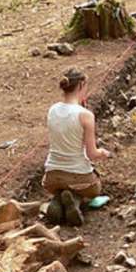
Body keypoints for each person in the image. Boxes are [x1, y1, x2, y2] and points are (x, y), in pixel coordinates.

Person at [43, 68, 111, 226]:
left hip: (51, 178)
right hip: (79, 178)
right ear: (81, 85)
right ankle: (75, 200)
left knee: (63, 185)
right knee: (94, 187)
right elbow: (92, 154)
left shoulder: (52, 110)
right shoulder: (85, 115)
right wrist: (104, 153)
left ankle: (58, 200)